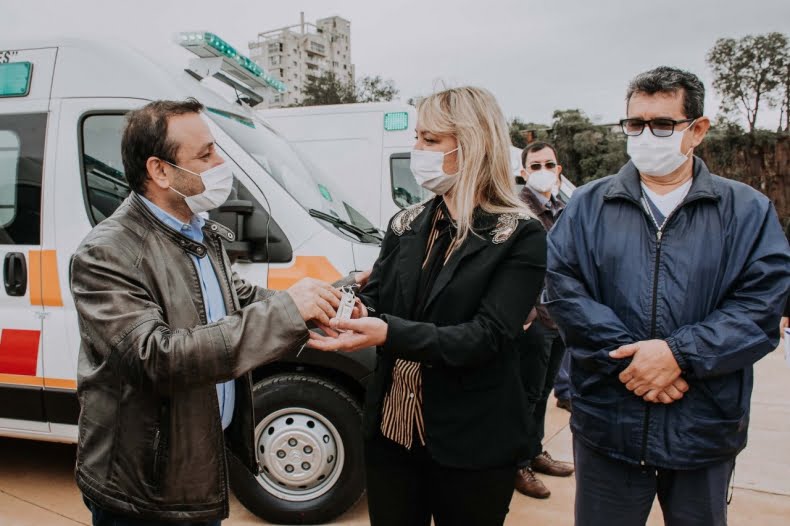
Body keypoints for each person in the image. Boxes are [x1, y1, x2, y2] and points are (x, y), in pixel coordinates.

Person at [69, 99, 358, 525]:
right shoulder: (107, 252)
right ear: (160, 171)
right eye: (205, 154)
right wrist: (285, 313)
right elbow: (157, 357)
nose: (221, 161)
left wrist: (333, 296)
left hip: (197, 465)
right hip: (143, 491)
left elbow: (237, 297)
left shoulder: (198, 230)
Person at [544, 66, 790, 526]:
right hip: (608, 423)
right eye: (635, 125)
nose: (645, 136)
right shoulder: (587, 206)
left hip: (702, 426)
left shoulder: (747, 211)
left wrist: (679, 355)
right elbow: (563, 291)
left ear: (697, 130)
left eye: (661, 125)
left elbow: (760, 307)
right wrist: (635, 363)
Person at [309, 86, 548, 526]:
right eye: (417, 137)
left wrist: (388, 331)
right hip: (391, 434)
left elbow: (487, 336)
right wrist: (352, 308)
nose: (416, 150)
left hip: (472, 439)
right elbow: (377, 295)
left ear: (472, 143)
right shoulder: (407, 222)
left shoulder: (519, 235)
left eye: (430, 140)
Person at [514, 142, 574, 500]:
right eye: (534, 165)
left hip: (559, 315)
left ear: (559, 167)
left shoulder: (564, 207)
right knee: (526, 393)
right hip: (534, 316)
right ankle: (517, 463)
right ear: (523, 172)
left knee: (544, 392)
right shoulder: (520, 210)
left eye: (549, 163)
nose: (543, 170)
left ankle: (534, 451)